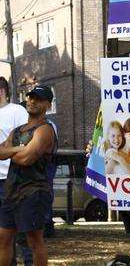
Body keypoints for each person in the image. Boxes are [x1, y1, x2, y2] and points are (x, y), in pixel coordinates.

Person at [0, 85, 57, 266]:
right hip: (12, 191)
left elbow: (26, 159)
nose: (32, 101)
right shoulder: (17, 131)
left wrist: (10, 151)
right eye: (30, 97)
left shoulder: (45, 130)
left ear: (48, 105)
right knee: (3, 238)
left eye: (38, 99)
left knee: (33, 241)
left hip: (34, 192)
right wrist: (18, 148)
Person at [0, 77, 33, 265]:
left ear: (1, 91)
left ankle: (30, 262)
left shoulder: (16, 111)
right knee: (3, 232)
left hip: (12, 179)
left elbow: (28, 138)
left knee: (22, 228)